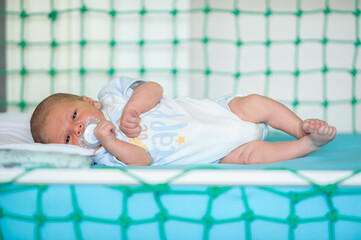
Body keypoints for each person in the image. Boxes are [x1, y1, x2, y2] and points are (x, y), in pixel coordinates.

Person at [30, 76, 336, 166]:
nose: (79, 129)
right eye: (68, 138)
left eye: (74, 116)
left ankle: (298, 127)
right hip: (220, 154)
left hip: (224, 112)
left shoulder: (112, 97)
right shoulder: (105, 156)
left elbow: (153, 88)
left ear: (89, 101)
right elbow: (142, 160)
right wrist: (110, 141)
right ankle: (308, 143)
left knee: (254, 103)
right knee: (252, 156)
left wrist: (133, 108)